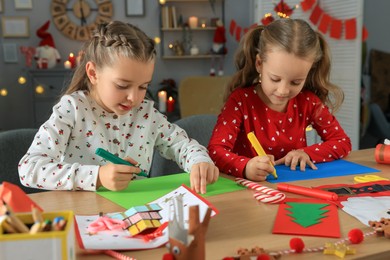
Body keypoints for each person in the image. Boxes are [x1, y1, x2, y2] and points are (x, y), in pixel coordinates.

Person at [19, 21, 218, 194]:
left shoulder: (146, 115)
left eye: (143, 86)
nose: (133, 97)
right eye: (122, 86)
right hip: (84, 217)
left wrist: (200, 161)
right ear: (93, 73)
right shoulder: (72, 110)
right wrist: (97, 177)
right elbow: (29, 169)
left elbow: (181, 144)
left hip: (136, 215)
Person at [208, 19, 351, 181]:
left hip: (295, 190)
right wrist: (246, 167)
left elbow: (342, 142)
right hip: (249, 192)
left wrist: (307, 153)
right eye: (275, 79)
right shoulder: (240, 101)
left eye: (296, 82)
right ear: (259, 64)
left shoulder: (308, 101)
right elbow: (215, 151)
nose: (283, 91)